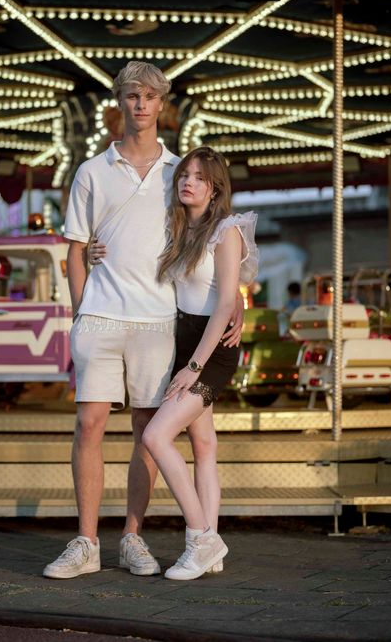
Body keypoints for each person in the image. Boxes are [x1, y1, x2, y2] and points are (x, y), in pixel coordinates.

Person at [43, 62, 242, 580]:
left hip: (158, 321)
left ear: (162, 105)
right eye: (132, 96)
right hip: (101, 319)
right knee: (89, 425)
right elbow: (75, 249)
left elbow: (213, 240)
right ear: (120, 102)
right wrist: (79, 313)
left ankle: (131, 536)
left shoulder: (180, 174)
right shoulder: (91, 171)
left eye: (150, 96)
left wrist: (235, 297)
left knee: (146, 432)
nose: (141, 105)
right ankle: (86, 542)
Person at [141, 146, 258, 581]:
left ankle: (201, 537)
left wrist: (194, 366)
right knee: (204, 447)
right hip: (184, 338)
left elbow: (227, 297)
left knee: (156, 435)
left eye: (200, 177)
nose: (188, 182)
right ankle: (211, 544)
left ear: (215, 188)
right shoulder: (179, 230)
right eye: (184, 175)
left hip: (211, 350)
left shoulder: (226, 229)